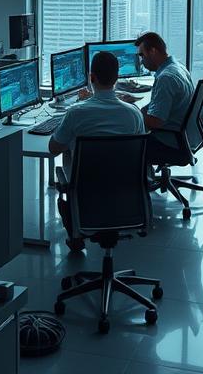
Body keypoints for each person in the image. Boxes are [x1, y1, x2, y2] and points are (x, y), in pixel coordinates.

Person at [48, 51, 146, 252]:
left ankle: (76, 234)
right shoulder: (134, 114)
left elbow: (53, 148)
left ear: (91, 77)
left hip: (86, 189)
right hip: (124, 189)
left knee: (69, 148)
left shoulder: (76, 113)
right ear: (117, 78)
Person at [134, 32, 195, 162]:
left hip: (170, 141)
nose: (141, 61)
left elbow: (155, 122)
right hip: (185, 136)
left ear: (153, 51)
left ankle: (141, 174)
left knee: (125, 144)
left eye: (142, 55)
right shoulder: (178, 67)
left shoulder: (165, 78)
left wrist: (133, 110)